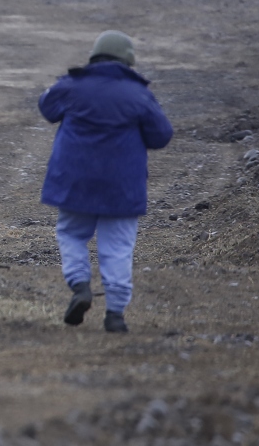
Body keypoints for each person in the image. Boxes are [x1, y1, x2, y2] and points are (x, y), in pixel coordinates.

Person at [38, 30, 173, 333]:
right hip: (121, 186)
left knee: (72, 234)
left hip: (75, 182)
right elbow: (161, 135)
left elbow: (46, 108)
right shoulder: (138, 94)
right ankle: (115, 314)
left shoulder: (72, 85)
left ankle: (80, 285)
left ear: (94, 55)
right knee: (118, 247)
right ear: (128, 61)